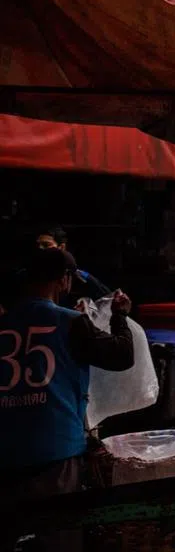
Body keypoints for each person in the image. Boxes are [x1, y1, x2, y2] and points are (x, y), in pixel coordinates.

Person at [0, 247, 134, 551]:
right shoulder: (71, 321)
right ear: (64, 280)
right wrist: (120, 316)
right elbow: (123, 354)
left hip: (6, 453)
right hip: (55, 452)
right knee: (58, 535)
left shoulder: (5, 322)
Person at [34, 224, 114, 308]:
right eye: (38, 245)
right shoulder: (27, 275)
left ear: (61, 247)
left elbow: (107, 299)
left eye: (46, 245)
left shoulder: (81, 276)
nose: (40, 249)